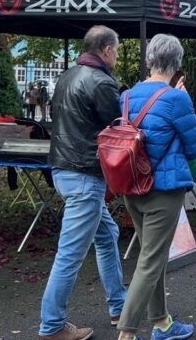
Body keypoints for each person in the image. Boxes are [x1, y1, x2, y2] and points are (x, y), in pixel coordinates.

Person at [39, 26, 126, 340]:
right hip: (85, 175)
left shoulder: (67, 75)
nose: (116, 55)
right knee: (70, 253)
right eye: (115, 49)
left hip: (62, 169)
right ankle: (51, 326)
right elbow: (117, 131)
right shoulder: (102, 82)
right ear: (105, 49)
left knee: (107, 235)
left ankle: (120, 306)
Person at [116, 34, 196, 340]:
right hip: (162, 192)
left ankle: (162, 322)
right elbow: (195, 147)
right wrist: (182, 101)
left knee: (152, 257)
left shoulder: (126, 96)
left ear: (149, 60)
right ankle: (126, 333)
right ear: (177, 63)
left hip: (132, 186)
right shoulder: (177, 99)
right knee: (151, 262)